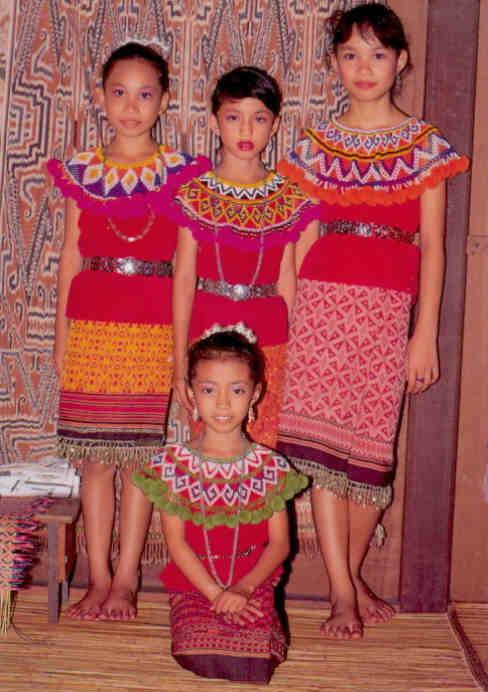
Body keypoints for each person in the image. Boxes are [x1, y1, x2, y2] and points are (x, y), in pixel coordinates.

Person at [277, 3, 469, 640]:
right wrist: (289, 316)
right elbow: (296, 241)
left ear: (401, 61)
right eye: (351, 54)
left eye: (378, 54)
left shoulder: (426, 146)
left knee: (368, 464)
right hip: (321, 308)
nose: (365, 68)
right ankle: (341, 593)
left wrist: (425, 334)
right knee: (324, 458)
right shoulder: (314, 146)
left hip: (387, 316)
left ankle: (351, 576)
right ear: (335, 62)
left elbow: (434, 248)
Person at [47, 41, 209, 620]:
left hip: (150, 329)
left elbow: (187, 268)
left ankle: (125, 581)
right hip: (91, 324)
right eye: (120, 93)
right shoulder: (80, 172)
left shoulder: (183, 174)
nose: (132, 106)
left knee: (140, 460)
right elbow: (69, 256)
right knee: (94, 460)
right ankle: (94, 577)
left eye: (145, 95)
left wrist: (180, 347)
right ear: (99, 98)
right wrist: (62, 340)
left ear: (164, 101)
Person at [133, 327, 307, 683]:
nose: (224, 404)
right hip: (195, 585)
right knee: (200, 650)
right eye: (209, 390)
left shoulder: (270, 467)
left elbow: (279, 545)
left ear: (255, 394)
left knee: (257, 658)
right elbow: (177, 544)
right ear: (191, 394)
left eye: (237, 390)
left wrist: (242, 589)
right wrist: (215, 594)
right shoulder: (174, 466)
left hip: (251, 581)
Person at [169, 66, 319, 449]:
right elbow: (184, 278)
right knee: (211, 447)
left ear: (275, 124)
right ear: (215, 120)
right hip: (208, 331)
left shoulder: (288, 196)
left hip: (270, 334)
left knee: (263, 446)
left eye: (259, 118)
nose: (246, 131)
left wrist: (296, 354)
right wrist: (179, 358)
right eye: (234, 117)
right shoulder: (194, 193)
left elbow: (288, 276)